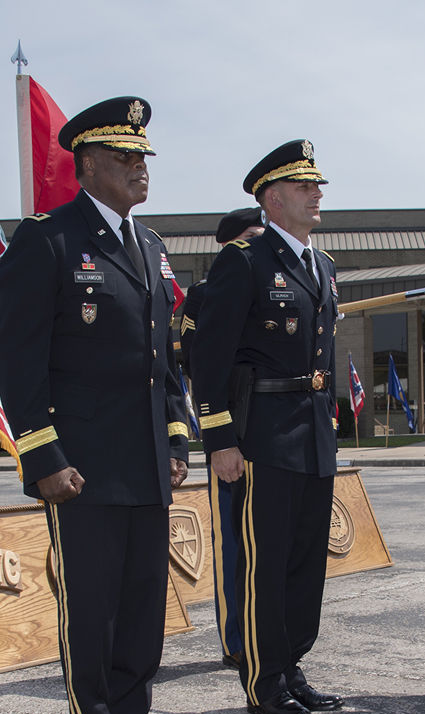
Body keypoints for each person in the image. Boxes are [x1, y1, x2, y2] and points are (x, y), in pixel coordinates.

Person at [0, 96, 190, 714]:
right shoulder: (47, 240)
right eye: (127, 158)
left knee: (142, 607)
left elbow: (162, 358)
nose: (141, 170)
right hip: (82, 465)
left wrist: (176, 439)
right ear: (89, 164)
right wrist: (42, 454)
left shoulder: (154, 246)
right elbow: (17, 360)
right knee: (95, 607)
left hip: (144, 463)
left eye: (143, 158)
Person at [192, 140, 343, 714]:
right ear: (272, 199)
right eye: (305, 188)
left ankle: (292, 663)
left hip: (313, 435)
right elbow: (210, 356)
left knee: (307, 562)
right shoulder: (245, 262)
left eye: (318, 186)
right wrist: (220, 439)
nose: (317, 194)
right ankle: (262, 678)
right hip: (263, 435)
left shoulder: (323, 266)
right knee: (267, 560)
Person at [178, 207, 266, 671]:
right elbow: (194, 358)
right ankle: (236, 639)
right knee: (234, 540)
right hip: (233, 428)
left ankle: (270, 635)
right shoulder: (204, 295)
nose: (259, 244)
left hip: (273, 431)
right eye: (250, 237)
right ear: (229, 245)